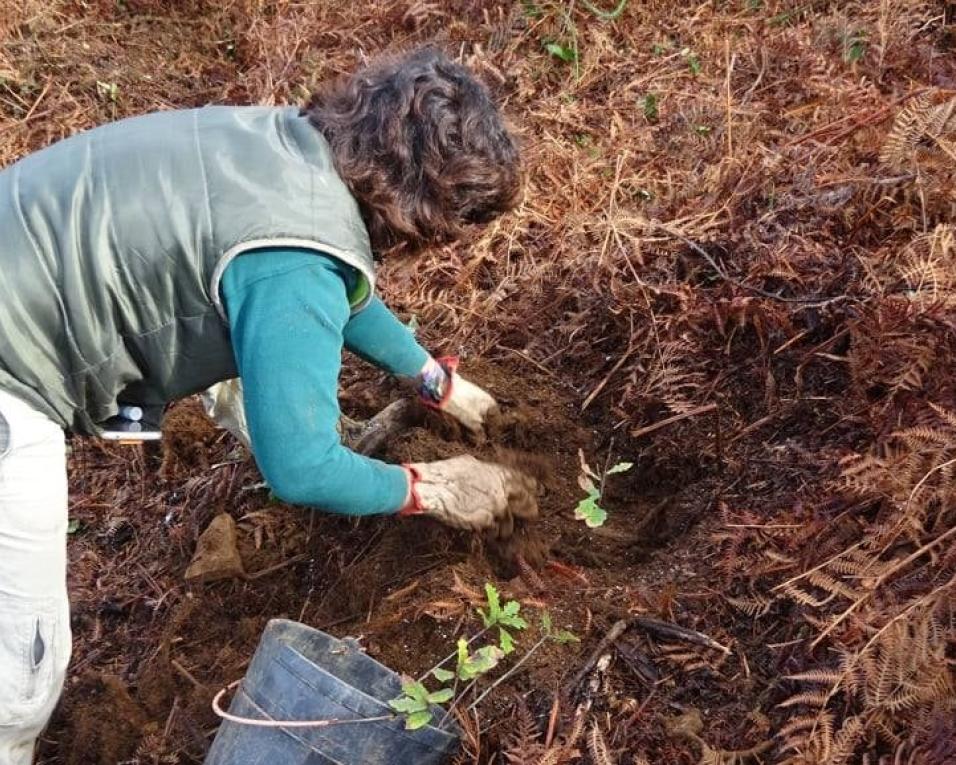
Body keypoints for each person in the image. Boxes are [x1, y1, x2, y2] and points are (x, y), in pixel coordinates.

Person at [0, 47, 537, 764]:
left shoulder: (287, 147)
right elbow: (304, 466)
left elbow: (332, 284)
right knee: (22, 674)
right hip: (9, 371)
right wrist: (431, 487)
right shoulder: (296, 259)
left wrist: (431, 379)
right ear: (430, 207)